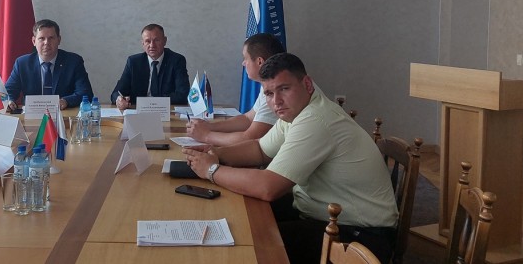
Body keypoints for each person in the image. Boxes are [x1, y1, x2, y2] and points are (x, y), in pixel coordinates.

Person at [182, 53, 398, 263]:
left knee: (252, 242)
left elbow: (269, 187)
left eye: (284, 89)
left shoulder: (316, 119)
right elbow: (259, 149)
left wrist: (211, 170)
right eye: (268, 93)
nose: (276, 101)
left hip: (361, 236)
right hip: (319, 211)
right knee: (239, 215)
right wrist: (215, 154)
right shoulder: (296, 112)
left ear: (307, 84)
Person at [186, 32, 285, 146]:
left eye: (245, 58)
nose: (243, 63)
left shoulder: (276, 93)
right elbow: (248, 119)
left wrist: (206, 135)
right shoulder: (268, 85)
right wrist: (209, 126)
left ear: (259, 62)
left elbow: (250, 139)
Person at [5, 19, 93, 110]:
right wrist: (10, 100)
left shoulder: (73, 62)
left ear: (59, 40)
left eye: (51, 38)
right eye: (41, 38)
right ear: (34, 41)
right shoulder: (22, 63)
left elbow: (86, 93)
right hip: (32, 115)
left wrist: (66, 101)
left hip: (63, 114)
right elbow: (7, 92)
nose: (46, 42)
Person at [110, 24, 190, 109]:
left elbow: (183, 94)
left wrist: (152, 102)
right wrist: (119, 100)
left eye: (156, 40)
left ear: (165, 41)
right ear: (143, 43)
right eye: (148, 41)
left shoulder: (176, 60)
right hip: (138, 112)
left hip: (166, 111)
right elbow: (116, 93)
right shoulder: (134, 62)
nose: (152, 45)